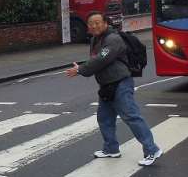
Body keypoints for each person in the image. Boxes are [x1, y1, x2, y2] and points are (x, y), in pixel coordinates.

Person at [65, 12, 163, 166]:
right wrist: (84, 66)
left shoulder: (113, 39)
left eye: (97, 22)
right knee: (104, 118)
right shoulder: (95, 39)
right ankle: (111, 149)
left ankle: (152, 150)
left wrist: (81, 70)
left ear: (105, 23)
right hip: (106, 86)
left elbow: (102, 59)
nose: (94, 26)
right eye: (91, 23)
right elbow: (95, 60)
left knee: (131, 117)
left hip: (120, 84)